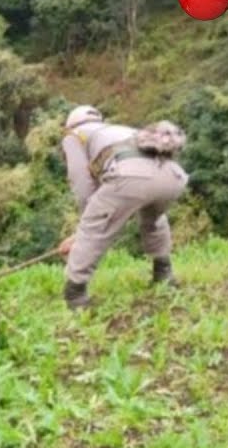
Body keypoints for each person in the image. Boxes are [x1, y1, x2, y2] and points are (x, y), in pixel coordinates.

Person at [57, 105, 189, 309]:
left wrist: (85, 226)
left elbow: (81, 183)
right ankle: (163, 273)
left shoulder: (74, 135)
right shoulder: (118, 130)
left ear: (70, 125)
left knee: (93, 227)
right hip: (174, 176)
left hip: (132, 176)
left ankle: (75, 295)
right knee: (153, 219)